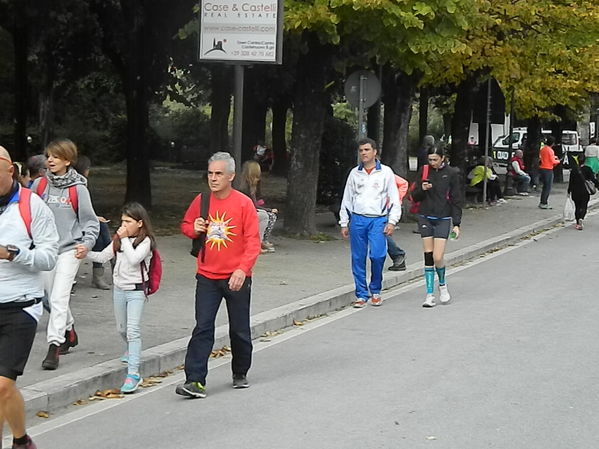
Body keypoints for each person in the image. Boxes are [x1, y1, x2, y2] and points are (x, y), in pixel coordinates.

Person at [177, 152, 261, 398]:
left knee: (239, 329)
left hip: (236, 277)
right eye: (210, 173)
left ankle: (240, 371)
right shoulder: (202, 200)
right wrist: (192, 229)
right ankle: (195, 380)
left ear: (231, 176)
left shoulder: (244, 203)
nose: (213, 179)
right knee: (203, 327)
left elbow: (253, 243)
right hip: (207, 275)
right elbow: (186, 225)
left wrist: (242, 270)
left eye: (218, 174)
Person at [0, 146, 59, 449]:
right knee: (3, 391)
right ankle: (22, 441)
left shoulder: (32, 205)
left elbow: (49, 257)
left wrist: (12, 253)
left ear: (10, 171)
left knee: (0, 386)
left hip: (21, 306)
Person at [31, 139, 100, 370]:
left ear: (68, 160)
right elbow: (27, 214)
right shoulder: (39, 186)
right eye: (49, 156)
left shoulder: (79, 189)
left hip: (71, 250)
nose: (50, 160)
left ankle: (54, 346)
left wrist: (87, 244)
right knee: (51, 298)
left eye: (56, 157)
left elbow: (91, 222)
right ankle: (69, 331)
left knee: (60, 298)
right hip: (46, 250)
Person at [86, 202, 155, 393]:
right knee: (122, 329)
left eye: (128, 221)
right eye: (122, 221)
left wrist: (124, 239)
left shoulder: (145, 241)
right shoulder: (119, 239)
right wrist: (85, 253)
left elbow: (134, 259)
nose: (123, 225)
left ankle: (133, 373)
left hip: (136, 291)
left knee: (133, 330)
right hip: (119, 289)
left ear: (140, 223)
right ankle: (130, 349)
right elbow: (103, 256)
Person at [339, 137, 401, 308]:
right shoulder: (354, 173)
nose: (363, 153)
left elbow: (394, 199)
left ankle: (376, 289)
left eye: (367, 150)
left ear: (375, 152)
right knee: (358, 258)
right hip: (358, 219)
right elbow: (347, 199)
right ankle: (361, 294)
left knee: (378, 255)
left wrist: (392, 221)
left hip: (378, 220)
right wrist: (344, 222)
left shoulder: (386, 172)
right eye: (361, 150)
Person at [410, 145, 463, 308]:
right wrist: (422, 189)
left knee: (438, 257)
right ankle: (429, 294)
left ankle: (443, 285)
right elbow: (414, 196)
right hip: (425, 216)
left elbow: (456, 199)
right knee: (428, 255)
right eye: (430, 159)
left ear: (442, 158)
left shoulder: (452, 173)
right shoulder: (425, 171)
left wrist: (456, 224)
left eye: (435, 159)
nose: (432, 162)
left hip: (443, 217)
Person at [74, 155, 112, 290]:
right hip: (73, 225)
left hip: (82, 221)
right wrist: (95, 218)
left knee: (100, 229)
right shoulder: (78, 185)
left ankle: (110, 255)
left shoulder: (82, 183)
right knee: (100, 230)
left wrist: (95, 217)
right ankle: (113, 254)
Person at [239, 160, 278, 254]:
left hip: (254, 209)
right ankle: (258, 243)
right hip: (246, 212)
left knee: (269, 215)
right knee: (265, 215)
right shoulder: (244, 188)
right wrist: (268, 209)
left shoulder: (255, 185)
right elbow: (252, 205)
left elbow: (259, 200)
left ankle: (263, 240)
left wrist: (264, 207)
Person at [567, 154, 599, 230]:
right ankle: (581, 217)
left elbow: (571, 182)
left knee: (577, 206)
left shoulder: (574, 170)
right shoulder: (588, 169)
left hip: (575, 191)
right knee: (584, 205)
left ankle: (578, 222)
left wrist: (569, 191)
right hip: (585, 190)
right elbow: (593, 180)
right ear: (585, 160)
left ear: (577, 160)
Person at [387, 174, 409, 271]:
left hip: (385, 207)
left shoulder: (385, 172)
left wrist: (397, 199)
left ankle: (398, 255)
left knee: (382, 233)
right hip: (370, 208)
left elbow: (404, 183)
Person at [538, 136, 560, 209]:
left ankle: (542, 201)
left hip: (542, 167)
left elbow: (543, 157)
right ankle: (544, 202)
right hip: (548, 168)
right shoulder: (550, 150)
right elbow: (553, 161)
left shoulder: (543, 149)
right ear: (553, 143)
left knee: (545, 186)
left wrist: (554, 157)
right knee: (548, 187)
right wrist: (558, 161)